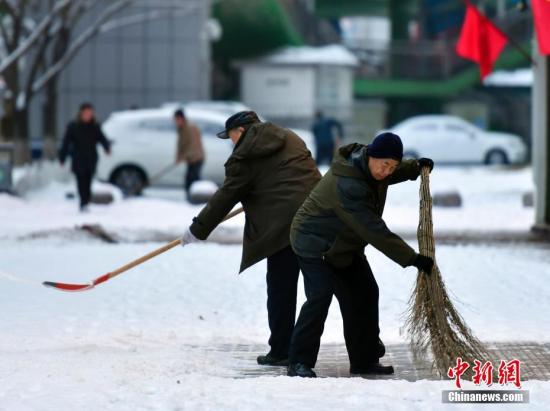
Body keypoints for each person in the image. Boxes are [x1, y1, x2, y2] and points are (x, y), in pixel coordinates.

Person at [287, 132, 435, 378]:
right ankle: (298, 361)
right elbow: (372, 229)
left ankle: (364, 360)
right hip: (315, 242)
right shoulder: (348, 183)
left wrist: (413, 168)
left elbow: (389, 175)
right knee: (320, 296)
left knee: (365, 292)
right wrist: (412, 258)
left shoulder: (370, 167)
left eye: (393, 166)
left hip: (345, 244)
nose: (386, 171)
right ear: (371, 156)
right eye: (384, 164)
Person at [180, 111, 321, 366]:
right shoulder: (290, 137)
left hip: (282, 229)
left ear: (242, 131)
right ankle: (356, 349)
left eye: (231, 136)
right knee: (320, 290)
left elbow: (225, 196)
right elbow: (304, 174)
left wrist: (197, 230)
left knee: (281, 289)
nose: (231, 142)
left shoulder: (244, 156)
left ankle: (281, 350)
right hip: (317, 219)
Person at [59, 102, 111, 212]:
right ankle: (83, 202)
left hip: (91, 158)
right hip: (78, 158)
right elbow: (66, 142)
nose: (88, 115)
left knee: (88, 180)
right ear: (81, 113)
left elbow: (102, 138)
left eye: (90, 112)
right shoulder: (73, 126)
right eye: (86, 112)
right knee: (80, 180)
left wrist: (107, 148)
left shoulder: (95, 126)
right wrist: (62, 157)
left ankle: (86, 201)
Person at [174, 109, 205, 196]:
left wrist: (183, 156)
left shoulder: (191, 128)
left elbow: (193, 145)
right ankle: (192, 196)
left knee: (193, 179)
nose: (175, 122)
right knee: (190, 179)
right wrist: (178, 156)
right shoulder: (181, 129)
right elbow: (181, 145)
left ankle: (196, 197)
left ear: (181, 118)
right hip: (190, 159)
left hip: (196, 157)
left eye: (176, 120)